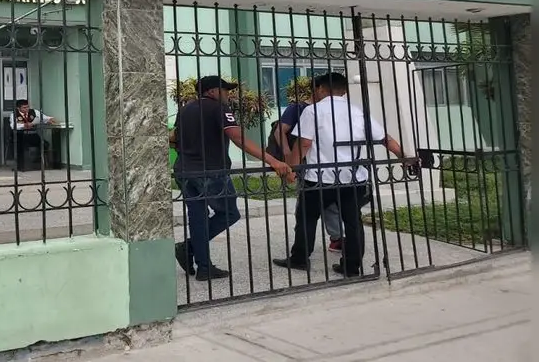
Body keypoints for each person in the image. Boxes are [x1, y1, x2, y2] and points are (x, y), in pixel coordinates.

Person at [273, 72, 416, 277]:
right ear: (344, 91)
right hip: (353, 177)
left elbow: (304, 143)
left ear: (321, 89)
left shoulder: (313, 111)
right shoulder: (357, 112)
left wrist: (291, 170)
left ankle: (299, 258)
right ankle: (351, 266)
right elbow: (385, 138)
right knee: (352, 221)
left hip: (319, 178)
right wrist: (404, 157)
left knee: (307, 217)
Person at [172, 76, 295, 281]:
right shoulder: (218, 108)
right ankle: (189, 247)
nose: (228, 94)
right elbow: (238, 138)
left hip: (184, 171)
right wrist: (273, 161)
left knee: (197, 215)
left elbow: (175, 138)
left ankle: (203, 265)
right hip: (211, 171)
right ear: (212, 91)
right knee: (229, 213)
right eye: (225, 90)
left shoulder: (185, 109)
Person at [265, 79, 344, 253]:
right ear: (318, 90)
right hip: (303, 162)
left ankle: (335, 238)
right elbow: (280, 131)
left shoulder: (330, 110)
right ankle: (306, 245)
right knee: (307, 205)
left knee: (328, 202)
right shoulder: (298, 108)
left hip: (325, 162)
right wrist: (289, 157)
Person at [9, 99, 56, 168]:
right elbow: (13, 126)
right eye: (24, 108)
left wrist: (49, 119)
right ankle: (20, 165)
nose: (26, 109)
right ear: (18, 108)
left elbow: (45, 118)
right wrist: (24, 125)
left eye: (27, 107)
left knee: (44, 144)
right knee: (19, 146)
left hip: (32, 134)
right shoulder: (14, 114)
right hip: (19, 135)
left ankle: (38, 160)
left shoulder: (34, 112)